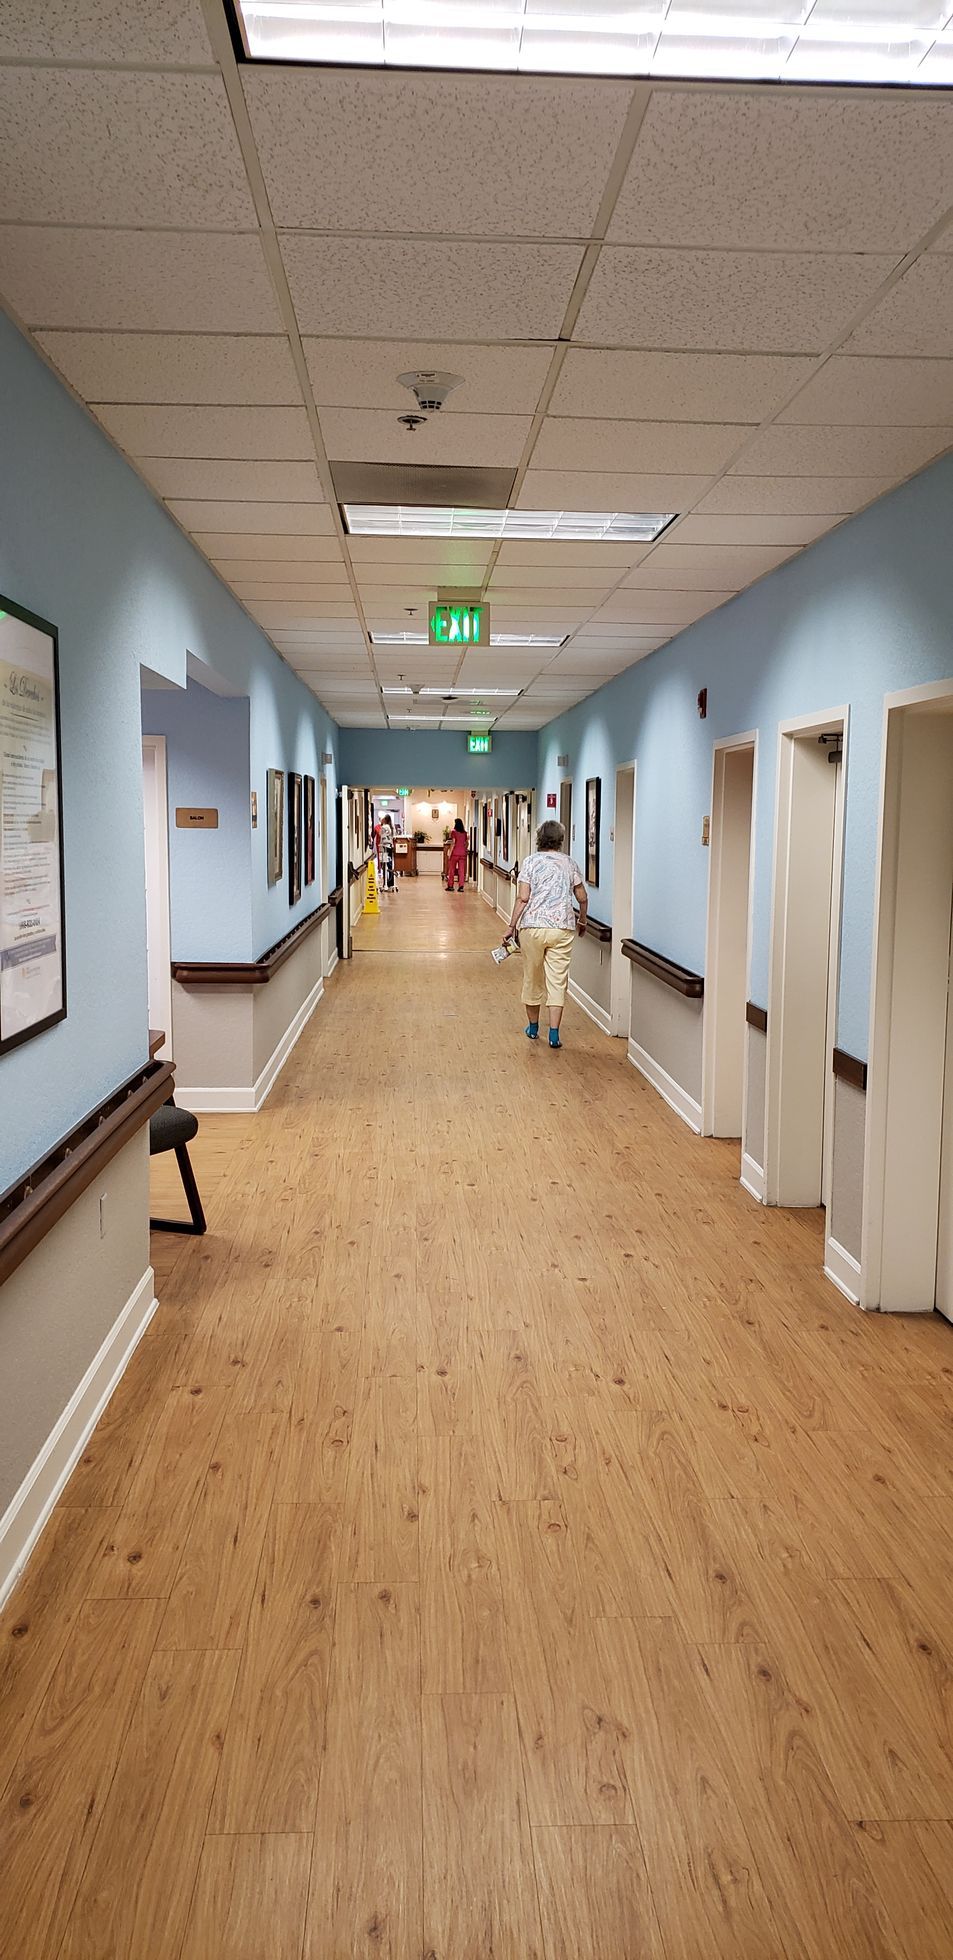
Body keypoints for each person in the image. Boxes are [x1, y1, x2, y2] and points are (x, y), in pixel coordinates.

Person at [502, 819, 587, 1048]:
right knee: (558, 981)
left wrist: (511, 926)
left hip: (533, 928)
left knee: (532, 976)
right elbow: (582, 896)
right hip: (562, 928)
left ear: (539, 838)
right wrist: (583, 920)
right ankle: (554, 1034)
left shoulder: (530, 863)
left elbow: (523, 898)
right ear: (560, 839)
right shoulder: (569, 864)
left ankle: (532, 1027)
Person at [445, 816, 468, 893]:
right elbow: (466, 843)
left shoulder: (453, 832)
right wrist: (464, 849)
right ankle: (461, 887)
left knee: (451, 870)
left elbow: (453, 843)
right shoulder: (465, 833)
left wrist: (450, 853)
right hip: (463, 854)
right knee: (461, 871)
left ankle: (450, 886)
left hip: (455, 853)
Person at [379, 812, 396, 893]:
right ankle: (391, 883)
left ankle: (385, 883)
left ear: (385, 819)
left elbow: (381, 836)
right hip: (390, 847)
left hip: (384, 848)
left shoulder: (384, 827)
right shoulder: (392, 828)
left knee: (384, 866)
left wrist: (381, 824)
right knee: (390, 865)